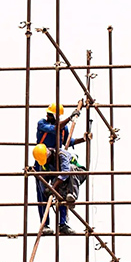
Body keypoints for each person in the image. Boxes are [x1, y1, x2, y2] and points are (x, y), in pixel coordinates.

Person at [33, 100, 88, 235]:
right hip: (42, 161)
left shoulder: (64, 129)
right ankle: (45, 224)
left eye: (50, 115)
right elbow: (54, 129)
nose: (47, 116)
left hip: (56, 161)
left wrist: (83, 139)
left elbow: (69, 141)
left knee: (61, 192)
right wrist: (70, 118)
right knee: (43, 194)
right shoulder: (42, 123)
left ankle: (62, 223)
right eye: (48, 114)